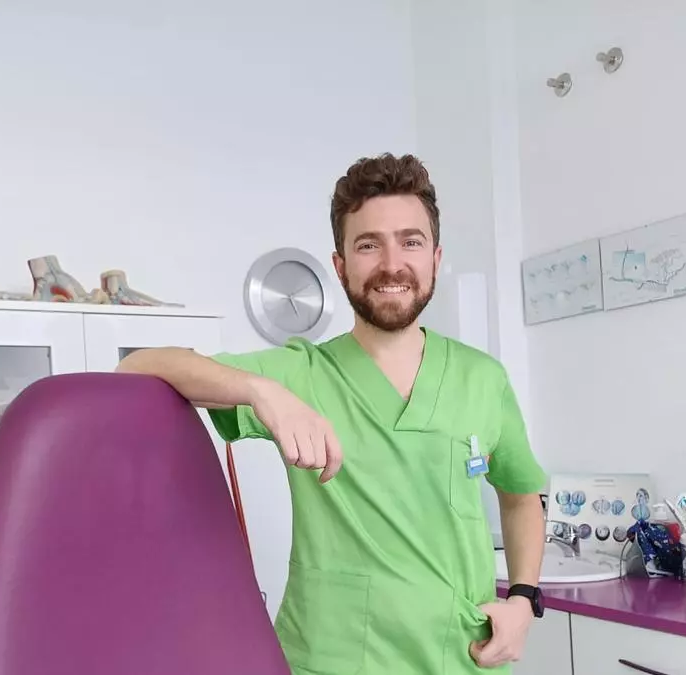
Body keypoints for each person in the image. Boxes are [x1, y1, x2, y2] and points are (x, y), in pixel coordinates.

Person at [116, 152, 548, 674]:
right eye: (369, 245)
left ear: (435, 258)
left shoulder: (483, 379)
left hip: (462, 656)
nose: (392, 264)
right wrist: (260, 391)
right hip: (333, 660)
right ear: (341, 266)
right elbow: (137, 366)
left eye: (410, 242)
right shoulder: (301, 373)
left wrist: (523, 599)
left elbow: (521, 497)